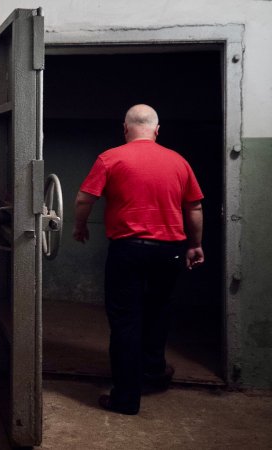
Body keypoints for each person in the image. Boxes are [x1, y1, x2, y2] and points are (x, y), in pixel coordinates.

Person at [72, 104, 205, 415]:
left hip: (128, 250)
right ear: (157, 131)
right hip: (169, 250)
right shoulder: (178, 161)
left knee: (125, 322)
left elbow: (83, 198)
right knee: (158, 312)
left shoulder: (111, 157)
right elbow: (194, 208)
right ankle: (153, 371)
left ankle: (126, 398)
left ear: (125, 129)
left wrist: (79, 227)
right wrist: (195, 245)